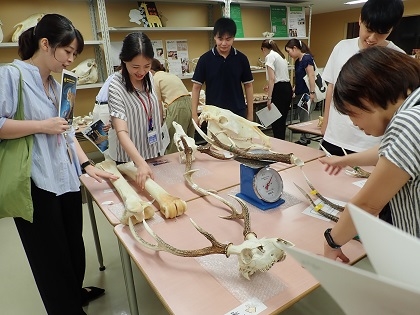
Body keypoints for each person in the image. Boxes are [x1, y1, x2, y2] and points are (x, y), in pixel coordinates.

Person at [0, 14, 118, 314]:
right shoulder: (12, 76)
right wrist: (41, 125)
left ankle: (73, 294)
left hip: (65, 179)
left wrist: (87, 166)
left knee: (73, 251)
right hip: (36, 182)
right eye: (68, 52)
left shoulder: (58, 85)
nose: (71, 59)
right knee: (49, 259)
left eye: (75, 54)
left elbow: (65, 132)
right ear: (45, 44)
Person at [318, 46, 420, 262]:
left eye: (351, 113)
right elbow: (393, 153)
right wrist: (346, 160)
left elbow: (368, 204)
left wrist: (332, 241)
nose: (353, 123)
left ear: (368, 97)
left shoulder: (409, 122)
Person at [320, 0, 404, 156]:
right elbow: (331, 87)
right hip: (334, 137)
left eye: (381, 32)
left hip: (371, 145)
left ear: (391, 29)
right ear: (360, 20)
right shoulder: (341, 47)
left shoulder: (397, 59)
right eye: (369, 29)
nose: (372, 38)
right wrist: (326, 124)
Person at [108, 32, 163, 190]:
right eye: (135, 67)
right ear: (124, 61)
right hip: (130, 162)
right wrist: (140, 163)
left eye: (146, 66)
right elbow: (121, 131)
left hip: (153, 154)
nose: (141, 72)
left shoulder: (150, 78)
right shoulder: (115, 86)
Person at [191, 17, 254, 123]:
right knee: (214, 140)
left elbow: (248, 86)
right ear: (215, 37)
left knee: (237, 140)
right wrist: (194, 114)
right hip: (213, 114)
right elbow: (196, 88)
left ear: (233, 38)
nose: (224, 43)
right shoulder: (205, 59)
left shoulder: (241, 59)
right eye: (220, 39)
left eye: (228, 39)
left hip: (237, 113)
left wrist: (250, 114)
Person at [150, 58, 195, 154]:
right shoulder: (170, 75)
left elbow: (158, 103)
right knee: (188, 140)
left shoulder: (155, 78)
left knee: (174, 142)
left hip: (178, 106)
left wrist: (160, 123)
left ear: (150, 70)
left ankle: (173, 167)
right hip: (190, 103)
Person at [284, 38, 317, 145]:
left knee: (304, 116)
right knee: (302, 116)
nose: (290, 55)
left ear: (295, 48)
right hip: (299, 92)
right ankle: (305, 137)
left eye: (289, 51)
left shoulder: (307, 58)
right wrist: (294, 88)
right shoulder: (298, 61)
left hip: (306, 93)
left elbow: (311, 75)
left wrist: (312, 92)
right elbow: (299, 77)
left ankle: (305, 139)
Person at [260, 39, 293, 140]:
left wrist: (269, 98)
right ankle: (281, 141)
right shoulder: (280, 56)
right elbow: (280, 77)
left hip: (279, 90)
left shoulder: (269, 56)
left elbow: (272, 78)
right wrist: (270, 87)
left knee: (276, 120)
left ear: (264, 49)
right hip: (287, 87)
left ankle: (279, 143)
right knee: (281, 120)